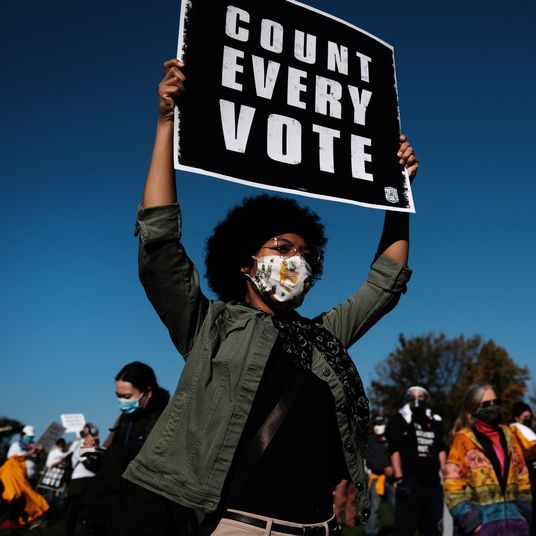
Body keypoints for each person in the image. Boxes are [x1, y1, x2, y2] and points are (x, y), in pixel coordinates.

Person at [123, 59, 418, 536]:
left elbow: (385, 284)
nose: (296, 261)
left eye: (305, 254)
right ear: (244, 262)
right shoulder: (210, 326)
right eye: (281, 248)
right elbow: (159, 245)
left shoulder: (324, 338)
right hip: (245, 528)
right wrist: (166, 123)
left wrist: (397, 194)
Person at [83, 361, 197, 535]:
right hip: (118, 511)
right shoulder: (124, 419)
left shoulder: (167, 419)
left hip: (153, 513)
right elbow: (115, 460)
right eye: (118, 396)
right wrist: (94, 456)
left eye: (127, 396)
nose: (121, 402)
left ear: (148, 393)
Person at [444, 381, 532, 535]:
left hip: (515, 527)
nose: (492, 407)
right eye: (485, 404)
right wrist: (472, 522)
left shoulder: (509, 435)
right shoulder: (463, 440)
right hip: (481, 529)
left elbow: (523, 476)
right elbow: (452, 487)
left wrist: (523, 513)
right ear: (473, 407)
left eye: (495, 402)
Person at [386, 385, 446, 536]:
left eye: (420, 396)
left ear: (426, 398)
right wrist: (400, 479)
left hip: (433, 484)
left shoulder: (434, 420)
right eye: (413, 396)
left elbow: (440, 449)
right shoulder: (399, 420)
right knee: (404, 530)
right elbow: (394, 450)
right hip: (410, 483)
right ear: (407, 398)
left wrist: (445, 475)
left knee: (433, 530)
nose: (416, 399)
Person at [65, 423, 99, 536]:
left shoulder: (92, 448)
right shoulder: (80, 447)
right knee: (74, 510)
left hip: (89, 481)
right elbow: (89, 465)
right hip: (79, 482)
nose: (95, 439)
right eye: (92, 436)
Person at [365, 416, 395, 536]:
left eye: (380, 424)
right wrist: (383, 468)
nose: (378, 427)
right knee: (374, 509)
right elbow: (369, 460)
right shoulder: (370, 441)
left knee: (396, 507)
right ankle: (371, 532)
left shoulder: (392, 440)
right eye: (376, 424)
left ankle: (400, 529)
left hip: (392, 479)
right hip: (376, 479)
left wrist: (393, 468)